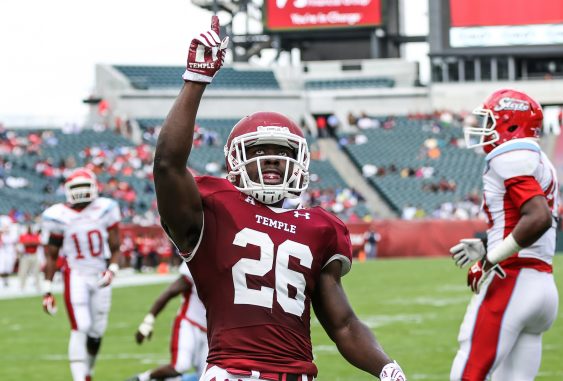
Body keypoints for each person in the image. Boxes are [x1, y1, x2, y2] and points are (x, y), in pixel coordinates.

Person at [152, 16, 406, 381]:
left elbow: (344, 324)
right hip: (232, 374)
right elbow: (167, 166)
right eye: (260, 150)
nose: (271, 158)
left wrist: (387, 368)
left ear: (301, 162)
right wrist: (196, 80)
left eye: (282, 152)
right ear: (236, 161)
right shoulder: (213, 208)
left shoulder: (320, 226)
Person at [448, 89, 559, 381]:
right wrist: (488, 245)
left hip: (513, 280)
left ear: (509, 123)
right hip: (543, 284)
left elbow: (538, 217)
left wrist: (489, 260)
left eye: (490, 121)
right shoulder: (538, 158)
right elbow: (527, 218)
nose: (484, 128)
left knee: (468, 373)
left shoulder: (512, 153)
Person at [40, 168, 122, 381]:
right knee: (81, 326)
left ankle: (88, 372)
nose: (81, 192)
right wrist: (47, 289)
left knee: (96, 332)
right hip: (75, 274)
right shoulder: (58, 215)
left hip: (100, 274)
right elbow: (52, 255)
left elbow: (115, 247)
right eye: (76, 188)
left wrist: (112, 269)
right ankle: (80, 378)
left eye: (84, 187)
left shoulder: (106, 208)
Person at [126, 262, 207, 381]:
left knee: (206, 375)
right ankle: (142, 378)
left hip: (210, 331)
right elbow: (170, 292)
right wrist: (148, 321)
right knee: (180, 366)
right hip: (189, 323)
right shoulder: (200, 260)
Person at [17, 224, 43, 292]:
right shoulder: (23, 235)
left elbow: (38, 243)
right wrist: (31, 243)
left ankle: (38, 287)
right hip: (26, 255)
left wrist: (29, 243)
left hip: (34, 255)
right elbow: (23, 244)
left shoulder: (35, 235)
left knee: (37, 272)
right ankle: (22, 287)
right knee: (23, 271)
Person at [0, 214, 19, 287]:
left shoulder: (12, 232)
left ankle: (6, 280)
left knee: (8, 266)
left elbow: (14, 240)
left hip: (9, 250)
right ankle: (2, 281)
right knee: (1, 266)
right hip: (2, 249)